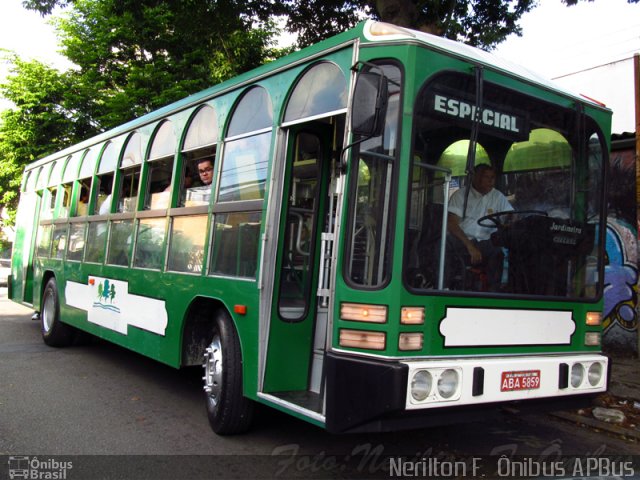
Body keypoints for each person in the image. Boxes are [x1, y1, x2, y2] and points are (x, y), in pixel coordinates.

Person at [447, 164, 513, 290]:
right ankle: (444, 287)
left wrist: (508, 222)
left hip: (487, 241)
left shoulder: (497, 196)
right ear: (475, 178)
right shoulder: (460, 195)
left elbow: (510, 215)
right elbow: (452, 223)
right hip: (464, 240)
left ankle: (494, 294)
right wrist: (470, 246)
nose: (490, 181)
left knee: (499, 253)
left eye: (492, 177)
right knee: (444, 244)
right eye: (486, 177)